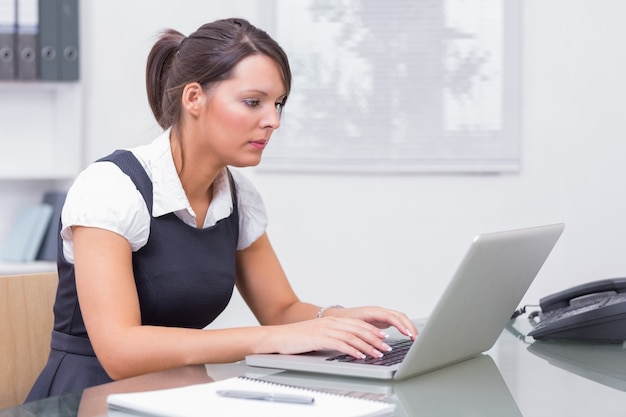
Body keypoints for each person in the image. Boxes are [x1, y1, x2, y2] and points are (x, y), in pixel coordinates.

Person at [26, 18, 418, 401]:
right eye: (253, 102)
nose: (273, 121)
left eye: (278, 103)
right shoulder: (112, 187)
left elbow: (281, 310)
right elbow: (120, 352)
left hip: (178, 395)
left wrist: (337, 319)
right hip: (88, 398)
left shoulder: (236, 197)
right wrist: (276, 340)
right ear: (194, 98)